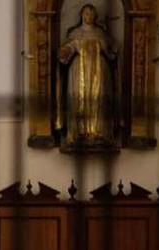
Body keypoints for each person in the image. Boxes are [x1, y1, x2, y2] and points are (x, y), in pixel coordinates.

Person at [57, 3, 116, 149]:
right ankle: (78, 133)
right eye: (86, 13)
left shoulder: (100, 32)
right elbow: (65, 52)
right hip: (78, 72)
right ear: (81, 15)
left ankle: (99, 133)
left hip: (99, 72)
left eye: (91, 13)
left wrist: (108, 45)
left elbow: (112, 52)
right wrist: (64, 51)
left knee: (99, 98)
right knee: (78, 97)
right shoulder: (75, 33)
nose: (88, 16)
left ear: (95, 16)